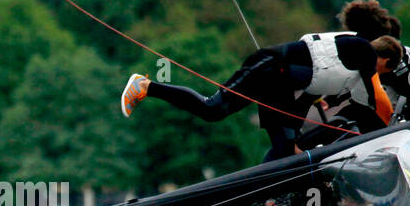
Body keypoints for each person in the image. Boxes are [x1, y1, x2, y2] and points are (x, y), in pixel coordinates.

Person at [120, 28, 393, 161]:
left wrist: (298, 138)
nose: (379, 75)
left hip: (279, 86)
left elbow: (306, 99)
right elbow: (376, 98)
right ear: (384, 60)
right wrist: (390, 131)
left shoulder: (344, 76)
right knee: (212, 109)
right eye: (383, 71)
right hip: (268, 67)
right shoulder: (364, 51)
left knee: (287, 149)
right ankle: (146, 86)